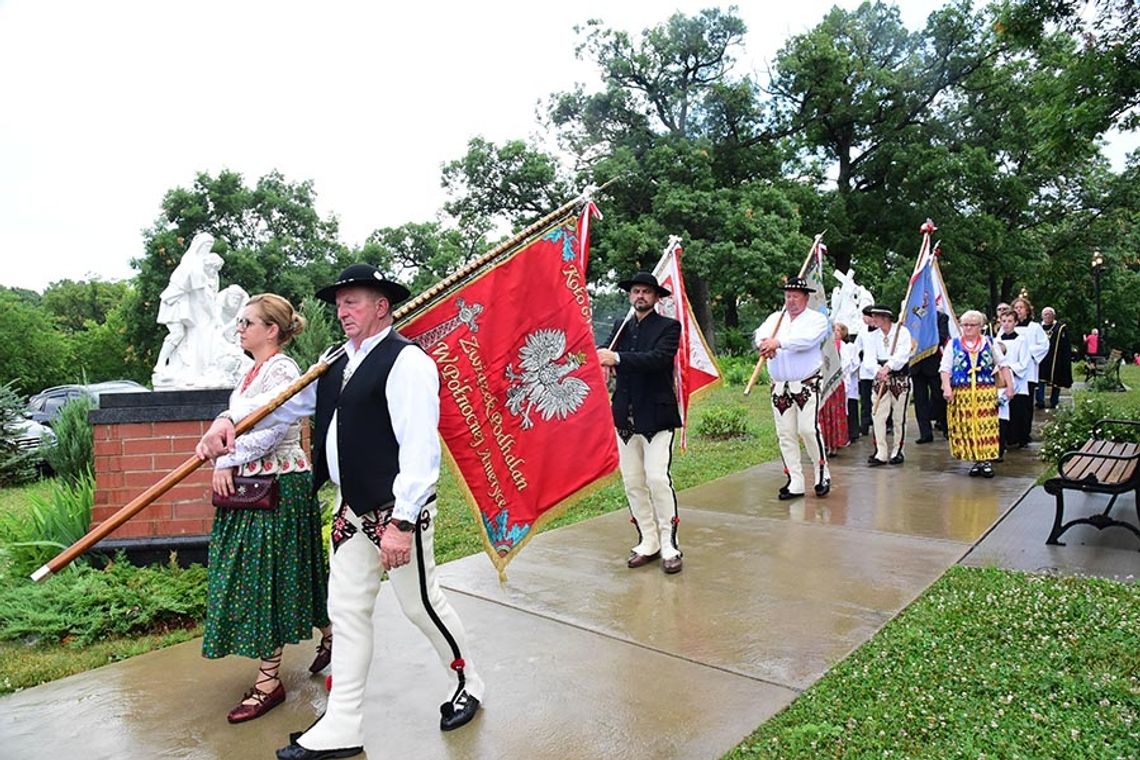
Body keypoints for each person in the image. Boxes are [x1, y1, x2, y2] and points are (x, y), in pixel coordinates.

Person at [197, 264, 484, 760]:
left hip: (396, 513)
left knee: (422, 605)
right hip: (350, 510)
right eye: (339, 302)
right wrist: (227, 420)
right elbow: (279, 405)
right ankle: (343, 723)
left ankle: (469, 682)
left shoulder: (407, 362)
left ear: (382, 306)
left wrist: (402, 523)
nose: (342, 310)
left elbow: (420, 450)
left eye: (353, 301)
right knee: (347, 614)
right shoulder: (335, 363)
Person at [204, 294, 331, 724]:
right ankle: (331, 634)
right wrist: (222, 429)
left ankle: (268, 683)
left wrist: (226, 459)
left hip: (278, 483)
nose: (239, 328)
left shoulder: (283, 369)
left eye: (247, 322)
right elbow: (237, 416)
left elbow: (272, 430)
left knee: (267, 580)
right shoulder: (250, 369)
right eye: (240, 322)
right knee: (294, 571)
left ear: (271, 330)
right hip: (252, 484)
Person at [597, 272, 684, 574]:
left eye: (646, 291)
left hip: (657, 416)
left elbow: (657, 359)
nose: (640, 296)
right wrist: (602, 364)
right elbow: (603, 356)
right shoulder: (621, 328)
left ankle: (669, 543)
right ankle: (648, 540)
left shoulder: (669, 327)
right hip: (624, 416)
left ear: (656, 297)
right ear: (629, 295)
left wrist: (616, 359)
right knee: (633, 481)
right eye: (635, 291)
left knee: (657, 479)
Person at [754, 276, 832, 499]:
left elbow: (806, 341)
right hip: (780, 386)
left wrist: (778, 343)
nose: (791, 301)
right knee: (785, 433)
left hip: (806, 383)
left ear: (806, 298)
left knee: (808, 429)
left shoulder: (817, 320)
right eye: (788, 296)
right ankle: (795, 481)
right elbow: (760, 335)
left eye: (796, 297)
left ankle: (821, 474)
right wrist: (764, 345)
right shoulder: (775, 319)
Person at [940, 310, 1013, 477]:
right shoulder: (954, 344)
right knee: (967, 425)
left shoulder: (989, 342)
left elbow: (1003, 364)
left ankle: (986, 460)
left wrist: (1009, 387)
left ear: (980, 326)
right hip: (962, 391)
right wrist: (947, 388)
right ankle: (975, 459)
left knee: (985, 425)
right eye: (965, 325)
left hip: (985, 391)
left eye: (972, 325)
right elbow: (945, 368)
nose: (968, 328)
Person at [154, 233, 225, 385]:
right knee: (177, 334)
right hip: (175, 302)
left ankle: (188, 367)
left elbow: (207, 294)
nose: (207, 249)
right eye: (206, 245)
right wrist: (214, 316)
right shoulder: (194, 267)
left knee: (191, 335)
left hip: (186, 304)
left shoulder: (201, 266)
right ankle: (160, 365)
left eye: (210, 246)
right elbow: (202, 297)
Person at [866, 305, 913, 467]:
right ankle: (880, 451)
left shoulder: (902, 332)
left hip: (899, 378)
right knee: (878, 414)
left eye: (876, 316)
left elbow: (903, 353)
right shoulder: (872, 336)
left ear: (885, 317)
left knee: (899, 417)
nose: (873, 319)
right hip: (880, 379)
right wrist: (878, 370)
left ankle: (898, 450)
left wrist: (890, 366)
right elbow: (868, 359)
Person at [994, 309, 1032, 451]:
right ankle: (1004, 440)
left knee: (1017, 412)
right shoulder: (996, 340)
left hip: (1017, 381)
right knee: (1003, 413)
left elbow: (1024, 362)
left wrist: (1008, 368)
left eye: (1010, 321)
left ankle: (1018, 439)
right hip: (1000, 381)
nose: (1006, 324)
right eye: (1003, 321)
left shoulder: (1021, 340)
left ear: (1015, 322)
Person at [909, 311, 950, 445]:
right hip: (916, 364)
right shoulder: (911, 316)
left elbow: (942, 337)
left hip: (933, 363)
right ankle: (925, 433)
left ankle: (946, 428)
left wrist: (924, 341)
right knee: (920, 401)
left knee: (939, 397)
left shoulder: (941, 317)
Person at [1011, 296, 1049, 435]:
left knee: (1025, 405)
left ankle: (1024, 434)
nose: (1018, 310)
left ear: (1027, 310)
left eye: (1021, 307)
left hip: (1028, 371)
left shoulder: (1035, 327)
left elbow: (1044, 345)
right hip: (1012, 371)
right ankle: (1012, 434)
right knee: (1012, 404)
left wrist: (1027, 353)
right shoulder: (1009, 326)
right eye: (1015, 308)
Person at [819, 322, 850, 456]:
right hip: (823, 383)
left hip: (836, 383)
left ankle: (835, 444)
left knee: (835, 412)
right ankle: (825, 442)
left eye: (837, 331)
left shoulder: (843, 346)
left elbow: (846, 364)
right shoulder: (821, 347)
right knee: (823, 413)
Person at [1036, 306, 1072, 409]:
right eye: (1045, 314)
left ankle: (1054, 401)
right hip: (1042, 359)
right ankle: (1040, 401)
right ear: (1042, 316)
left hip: (1056, 359)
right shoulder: (1038, 327)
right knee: (1040, 380)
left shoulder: (1060, 328)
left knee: (1056, 380)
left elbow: (1065, 346)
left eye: (1049, 314)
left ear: (1054, 316)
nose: (1047, 316)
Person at [854, 305, 879, 436]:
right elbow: (857, 348)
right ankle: (864, 425)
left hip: (878, 369)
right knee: (865, 399)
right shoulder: (863, 331)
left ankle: (884, 423)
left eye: (865, 315)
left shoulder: (881, 330)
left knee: (880, 398)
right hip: (865, 370)